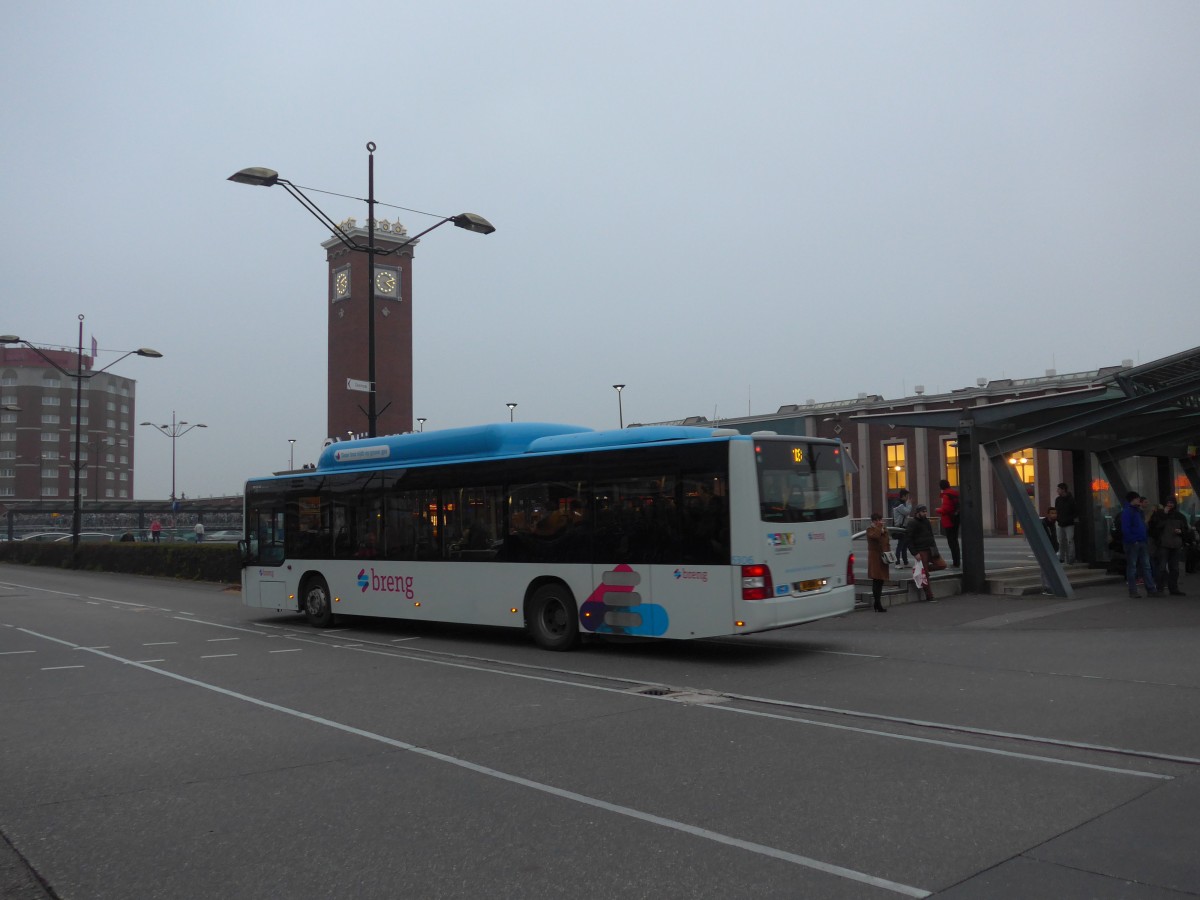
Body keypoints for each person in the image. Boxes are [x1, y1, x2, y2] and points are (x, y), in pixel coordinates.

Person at [1120, 492, 1160, 598]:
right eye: (1137, 499)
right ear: (1133, 500)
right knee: (1136, 566)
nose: (1139, 500)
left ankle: (1148, 589)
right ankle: (1139, 590)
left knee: (1142, 566)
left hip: (1139, 541)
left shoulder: (1135, 511)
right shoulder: (1129, 512)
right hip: (1135, 542)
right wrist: (1134, 540)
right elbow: (1126, 529)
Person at [1154, 497, 1188, 596]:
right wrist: (1163, 514)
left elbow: (1185, 529)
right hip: (1165, 544)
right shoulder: (1160, 514)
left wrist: (1181, 532)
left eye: (1171, 503)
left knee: (1174, 568)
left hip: (1174, 544)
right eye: (1168, 503)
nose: (1170, 505)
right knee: (1162, 567)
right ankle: (1161, 588)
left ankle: (1172, 588)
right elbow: (1155, 527)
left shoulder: (1180, 516)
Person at [904, 505, 938, 602]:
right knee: (925, 575)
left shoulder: (926, 521)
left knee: (942, 564)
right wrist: (915, 553)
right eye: (923, 512)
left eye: (926, 511)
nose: (925, 513)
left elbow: (931, 535)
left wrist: (935, 549)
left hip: (930, 548)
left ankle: (926, 570)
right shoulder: (912, 523)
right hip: (921, 550)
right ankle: (929, 596)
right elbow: (908, 539)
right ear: (918, 512)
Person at [865, 512, 891, 613]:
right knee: (876, 580)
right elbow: (875, 536)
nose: (880, 522)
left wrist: (889, 554)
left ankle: (877, 603)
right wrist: (879, 527)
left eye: (880, 520)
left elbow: (886, 541)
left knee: (881, 581)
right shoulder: (870, 530)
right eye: (878, 520)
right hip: (875, 557)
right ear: (874, 521)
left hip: (883, 557)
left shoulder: (884, 530)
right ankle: (877, 603)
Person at [936, 479, 961, 568]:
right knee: (955, 541)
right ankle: (957, 561)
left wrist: (938, 510)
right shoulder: (954, 493)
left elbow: (946, 509)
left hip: (949, 521)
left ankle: (956, 562)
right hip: (955, 519)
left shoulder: (946, 495)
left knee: (952, 542)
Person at [1054, 483, 1077, 564]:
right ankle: (1062, 557)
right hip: (1060, 523)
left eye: (1059, 489)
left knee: (1070, 540)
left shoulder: (1071, 500)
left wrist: (1068, 519)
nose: (1057, 491)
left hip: (1069, 524)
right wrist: (1058, 519)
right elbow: (1056, 511)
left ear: (1063, 489)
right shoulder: (1058, 500)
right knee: (1061, 541)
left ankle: (1071, 558)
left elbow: (1075, 512)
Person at [1039, 507, 1059, 595]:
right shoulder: (1045, 524)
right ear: (1048, 514)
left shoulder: (1053, 523)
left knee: (1048, 567)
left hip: (1052, 548)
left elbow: (1054, 537)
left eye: (1055, 513)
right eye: (1052, 513)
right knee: (1045, 568)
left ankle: (1048, 586)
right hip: (1046, 548)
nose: (1054, 515)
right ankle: (1046, 587)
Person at [892, 489, 912, 565]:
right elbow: (907, 512)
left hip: (903, 526)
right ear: (903, 496)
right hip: (899, 527)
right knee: (900, 545)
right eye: (907, 496)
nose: (907, 498)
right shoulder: (898, 504)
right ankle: (897, 562)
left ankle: (905, 562)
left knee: (904, 544)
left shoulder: (901, 503)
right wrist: (909, 504)